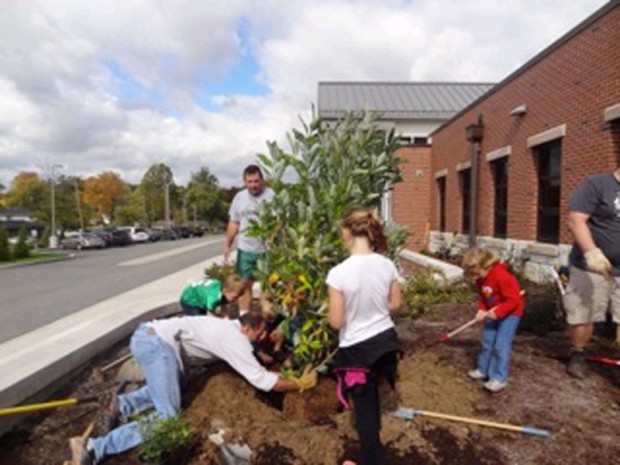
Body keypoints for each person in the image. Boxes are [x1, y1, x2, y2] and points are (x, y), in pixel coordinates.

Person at [69, 312, 316, 465]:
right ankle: (94, 447)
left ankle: (121, 404)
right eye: (259, 334)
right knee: (168, 418)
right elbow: (261, 381)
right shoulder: (236, 340)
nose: (259, 340)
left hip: (147, 335)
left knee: (168, 390)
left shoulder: (226, 326)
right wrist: (298, 384)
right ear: (247, 328)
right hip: (157, 345)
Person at [326, 207, 402, 465]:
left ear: (347, 231)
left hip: (358, 352)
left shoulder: (339, 273)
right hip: (386, 343)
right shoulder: (387, 264)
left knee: (365, 415)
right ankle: (375, 443)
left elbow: (336, 322)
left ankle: (371, 459)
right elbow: (395, 305)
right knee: (374, 400)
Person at [564, 168, 620, 378]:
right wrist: (592, 253)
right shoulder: (597, 185)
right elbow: (576, 220)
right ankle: (578, 353)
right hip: (592, 267)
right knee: (584, 314)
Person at [462, 248, 524, 393]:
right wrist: (482, 310)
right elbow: (485, 298)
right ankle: (483, 370)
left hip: (510, 314)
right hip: (492, 312)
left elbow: (513, 300)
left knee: (500, 345)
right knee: (488, 341)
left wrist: (498, 312)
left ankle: (499, 378)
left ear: (486, 265)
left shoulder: (502, 277)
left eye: (477, 273)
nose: (476, 277)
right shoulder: (481, 280)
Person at [224, 164, 275, 315]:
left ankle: (266, 319)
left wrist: (274, 239)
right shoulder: (239, 198)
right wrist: (228, 245)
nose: (253, 185)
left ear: (262, 180)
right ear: (245, 182)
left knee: (267, 286)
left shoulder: (272, 196)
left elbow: (279, 223)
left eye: (256, 181)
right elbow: (234, 222)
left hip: (266, 250)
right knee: (244, 286)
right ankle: (244, 319)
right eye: (250, 182)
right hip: (246, 249)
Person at [179, 274, 245, 316]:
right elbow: (213, 312)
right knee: (198, 322)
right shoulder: (213, 298)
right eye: (234, 297)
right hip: (189, 301)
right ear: (225, 290)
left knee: (203, 316)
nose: (236, 299)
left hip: (200, 297)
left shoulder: (221, 288)